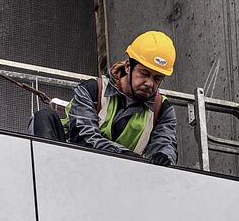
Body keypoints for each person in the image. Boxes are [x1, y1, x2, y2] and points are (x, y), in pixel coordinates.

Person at [32, 30, 179, 166]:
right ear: (128, 67)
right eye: (144, 74)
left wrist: (163, 159)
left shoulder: (162, 110)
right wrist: (127, 156)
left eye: (157, 78)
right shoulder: (92, 90)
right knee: (44, 118)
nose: (149, 83)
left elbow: (165, 146)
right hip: (75, 165)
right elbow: (84, 137)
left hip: (125, 179)